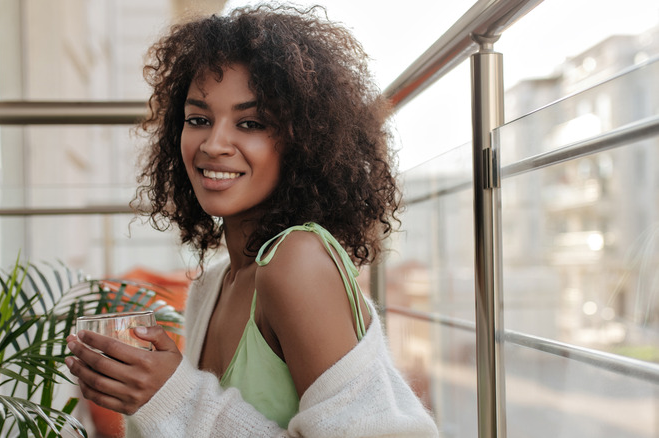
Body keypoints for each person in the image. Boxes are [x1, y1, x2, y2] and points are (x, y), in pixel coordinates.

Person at [65, 4, 438, 437]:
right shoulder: (215, 283)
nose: (214, 143)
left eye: (251, 122)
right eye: (199, 119)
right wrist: (145, 396)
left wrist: (172, 396)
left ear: (304, 140)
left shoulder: (297, 263)